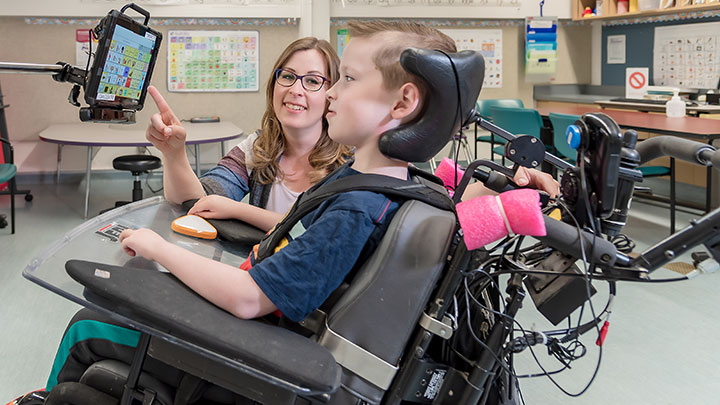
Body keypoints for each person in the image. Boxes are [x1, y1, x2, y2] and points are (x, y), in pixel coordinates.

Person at [9, 22, 558, 405]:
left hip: (268, 344)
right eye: (294, 78)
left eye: (342, 78)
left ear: (402, 104)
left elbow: (251, 299)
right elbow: (460, 197)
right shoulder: (385, 183)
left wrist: (157, 248)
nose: (324, 94)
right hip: (278, 315)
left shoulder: (357, 202)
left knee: (89, 326)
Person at [146, 36, 351, 232]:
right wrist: (174, 155)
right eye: (287, 76)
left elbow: (324, 231)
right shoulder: (258, 148)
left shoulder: (351, 159)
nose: (296, 89)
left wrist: (240, 210)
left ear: (331, 94)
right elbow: (198, 202)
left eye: (313, 81)